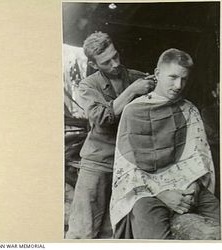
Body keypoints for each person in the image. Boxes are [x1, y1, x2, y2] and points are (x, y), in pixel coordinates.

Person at [110, 48, 220, 239]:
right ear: (158, 73)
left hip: (189, 187)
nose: (178, 85)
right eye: (173, 77)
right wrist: (162, 193)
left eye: (184, 79)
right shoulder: (133, 111)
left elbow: (199, 156)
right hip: (148, 192)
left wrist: (193, 186)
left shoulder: (189, 110)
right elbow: (128, 167)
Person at [66, 32, 156, 239]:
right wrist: (132, 91)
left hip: (126, 163)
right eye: (106, 62)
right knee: (82, 229)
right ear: (95, 65)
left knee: (112, 229)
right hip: (97, 161)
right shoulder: (88, 85)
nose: (115, 64)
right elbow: (102, 117)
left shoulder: (135, 77)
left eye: (115, 56)